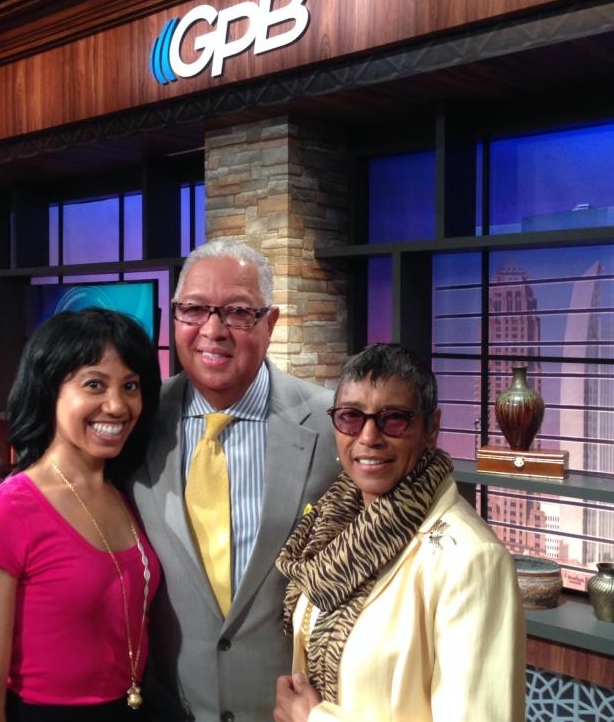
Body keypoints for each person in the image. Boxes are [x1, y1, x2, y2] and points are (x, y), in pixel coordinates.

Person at [130, 239, 341, 721]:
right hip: (171, 707)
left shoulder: (333, 426)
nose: (212, 329)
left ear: (270, 323)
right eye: (194, 309)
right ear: (174, 316)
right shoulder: (137, 423)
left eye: (238, 312)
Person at [274, 343, 526, 722]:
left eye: (393, 419)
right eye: (350, 417)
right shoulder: (333, 525)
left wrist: (314, 718)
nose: (369, 436)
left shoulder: (472, 560)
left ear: (431, 428)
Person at [0, 308, 163, 722]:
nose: (117, 406)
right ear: (50, 391)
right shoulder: (2, 516)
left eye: (131, 386)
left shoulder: (125, 492)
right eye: (94, 384)